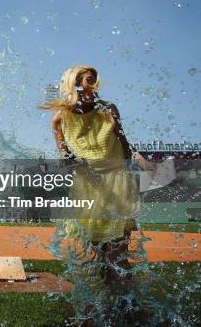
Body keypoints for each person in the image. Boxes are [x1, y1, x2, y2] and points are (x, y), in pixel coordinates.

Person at [43, 65, 155, 324]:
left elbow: (126, 146)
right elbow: (64, 156)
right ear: (74, 85)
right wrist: (71, 159)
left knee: (117, 255)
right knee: (100, 258)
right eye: (86, 81)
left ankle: (129, 308)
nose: (92, 86)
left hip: (117, 183)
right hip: (87, 187)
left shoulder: (109, 110)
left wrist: (142, 162)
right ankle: (116, 303)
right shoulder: (60, 119)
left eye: (93, 81)